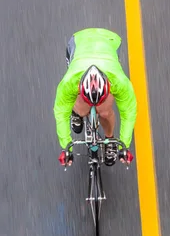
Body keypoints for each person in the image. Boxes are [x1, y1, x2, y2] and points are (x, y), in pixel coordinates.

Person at [53, 28, 137, 167]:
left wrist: (123, 145)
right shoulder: (70, 82)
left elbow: (129, 112)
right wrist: (66, 147)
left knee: (104, 111)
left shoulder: (119, 81)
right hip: (79, 42)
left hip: (109, 41)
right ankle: (76, 112)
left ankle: (109, 140)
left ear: (109, 86)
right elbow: (61, 112)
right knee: (80, 108)